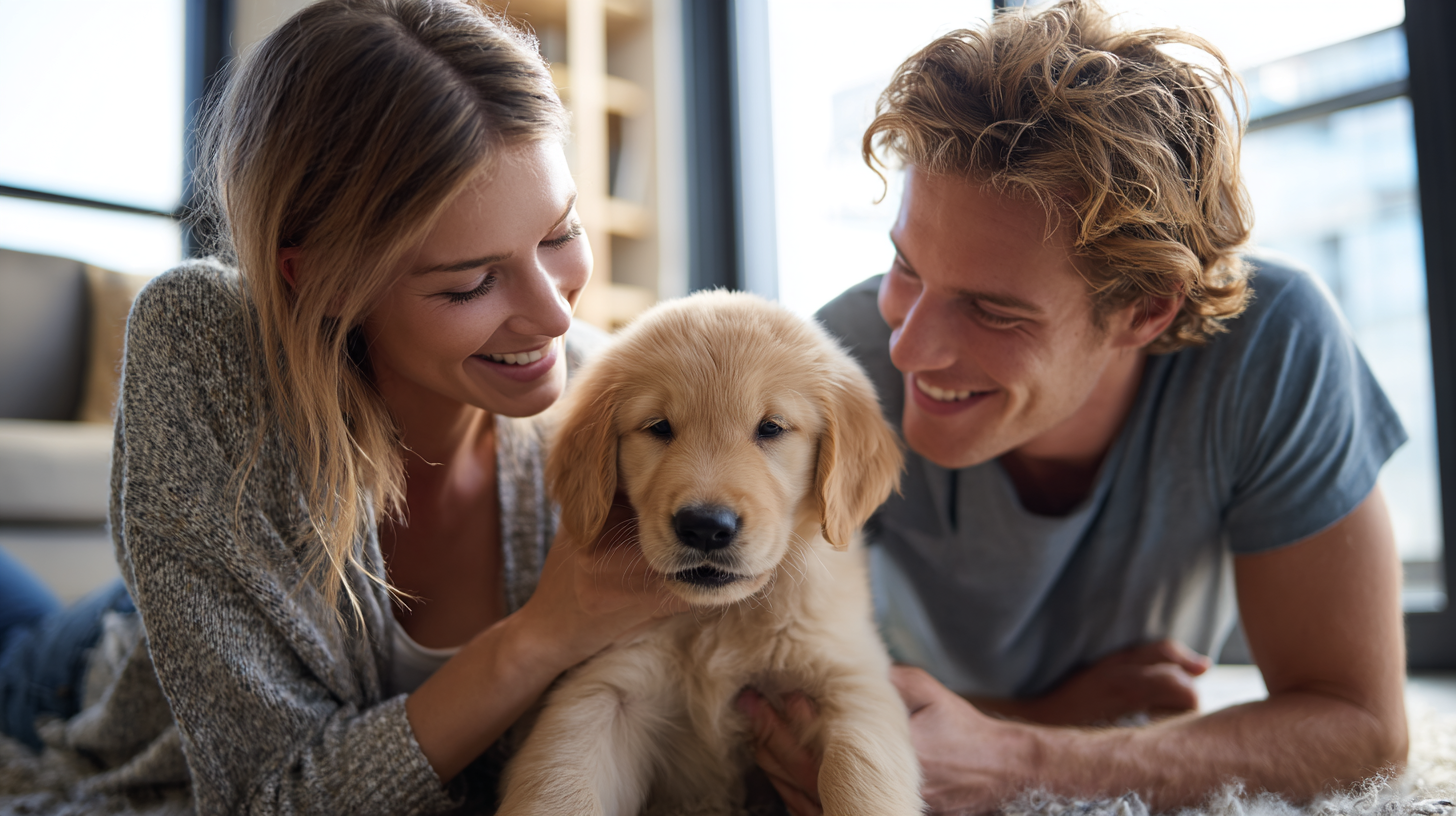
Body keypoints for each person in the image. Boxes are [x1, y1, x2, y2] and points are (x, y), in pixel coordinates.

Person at [0, 1, 686, 812]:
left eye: (561, 234)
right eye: (471, 282)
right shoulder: (205, 340)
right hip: (77, 682)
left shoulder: (620, 401)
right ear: (320, 278)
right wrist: (540, 636)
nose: (555, 317)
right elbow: (266, 796)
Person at [739, 1, 1409, 813]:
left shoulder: (1274, 345)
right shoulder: (834, 369)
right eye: (906, 267)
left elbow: (1359, 727)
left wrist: (1017, 758)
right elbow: (743, 700)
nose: (909, 349)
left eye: (992, 310)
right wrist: (1042, 720)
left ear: (1144, 312)